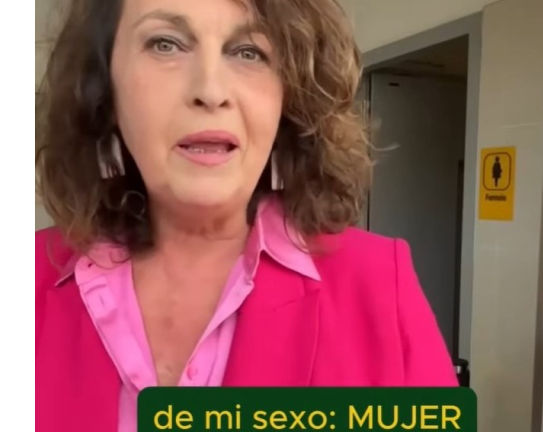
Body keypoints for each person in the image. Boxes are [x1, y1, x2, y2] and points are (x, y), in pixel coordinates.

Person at [34, 0, 458, 431]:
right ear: (104, 87)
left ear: (288, 97)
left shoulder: (378, 284)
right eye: (165, 44)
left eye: (249, 51)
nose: (210, 90)